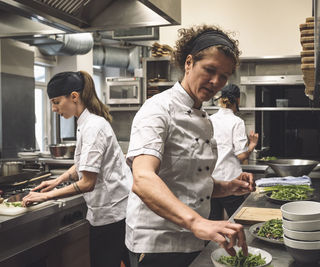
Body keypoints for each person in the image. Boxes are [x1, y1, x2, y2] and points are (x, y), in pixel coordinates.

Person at [125, 25, 255, 267]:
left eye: (224, 76)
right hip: (158, 245)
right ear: (188, 63)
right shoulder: (157, 109)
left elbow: (187, 182)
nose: (216, 81)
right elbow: (142, 179)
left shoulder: (203, 116)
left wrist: (226, 187)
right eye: (210, 70)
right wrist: (197, 222)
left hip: (191, 241)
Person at [22, 71, 132, 267]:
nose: (54, 108)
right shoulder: (85, 123)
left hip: (112, 215)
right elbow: (84, 163)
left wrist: (47, 196)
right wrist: (58, 180)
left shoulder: (93, 127)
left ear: (74, 96)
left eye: (56, 101)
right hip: (108, 213)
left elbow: (88, 183)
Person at [209, 84, 259, 220]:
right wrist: (252, 145)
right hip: (231, 182)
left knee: (214, 223)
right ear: (237, 100)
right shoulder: (237, 122)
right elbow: (241, 156)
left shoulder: (210, 119)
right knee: (238, 221)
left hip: (212, 181)